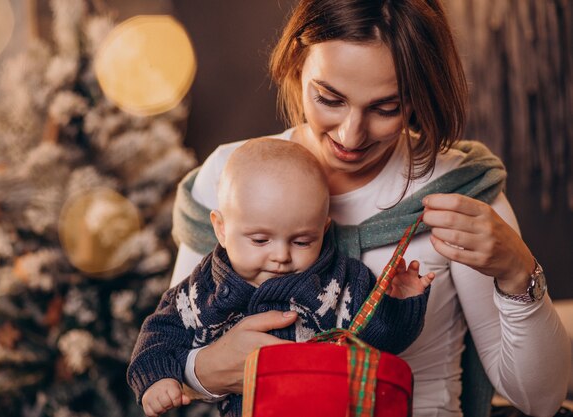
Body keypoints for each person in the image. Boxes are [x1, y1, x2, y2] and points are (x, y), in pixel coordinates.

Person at [169, 1, 572, 416]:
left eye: (385, 108)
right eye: (329, 98)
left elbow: (539, 401)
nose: (351, 134)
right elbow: (168, 354)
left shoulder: (460, 193)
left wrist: (517, 271)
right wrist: (206, 369)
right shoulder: (230, 176)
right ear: (296, 65)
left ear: (419, 97)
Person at [128, 138, 435, 417]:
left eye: (302, 242)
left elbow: (382, 340)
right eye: (260, 240)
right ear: (221, 229)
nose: (282, 256)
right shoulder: (204, 288)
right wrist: (157, 377)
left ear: (323, 230)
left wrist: (401, 304)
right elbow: (160, 332)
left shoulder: (341, 282)